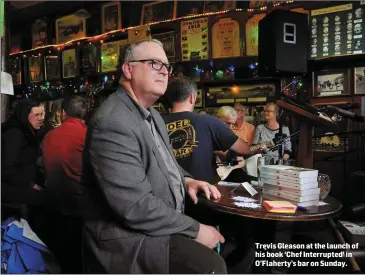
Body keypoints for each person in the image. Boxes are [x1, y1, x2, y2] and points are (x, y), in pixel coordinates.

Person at [81, 39, 227, 274]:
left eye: (166, 66)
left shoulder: (153, 115)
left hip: (158, 220)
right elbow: (136, 208)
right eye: (153, 63)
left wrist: (187, 180)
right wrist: (197, 230)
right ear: (128, 69)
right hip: (128, 239)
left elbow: (168, 164)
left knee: (238, 235)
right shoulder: (113, 121)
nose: (163, 71)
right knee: (211, 266)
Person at [163, 78, 253, 184]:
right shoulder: (207, 121)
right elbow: (244, 149)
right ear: (192, 97)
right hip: (201, 194)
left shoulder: (155, 123)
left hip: (166, 192)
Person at [41, 95, 88, 273]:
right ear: (84, 114)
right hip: (83, 211)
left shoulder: (48, 137)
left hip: (55, 208)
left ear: (62, 114)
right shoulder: (88, 135)